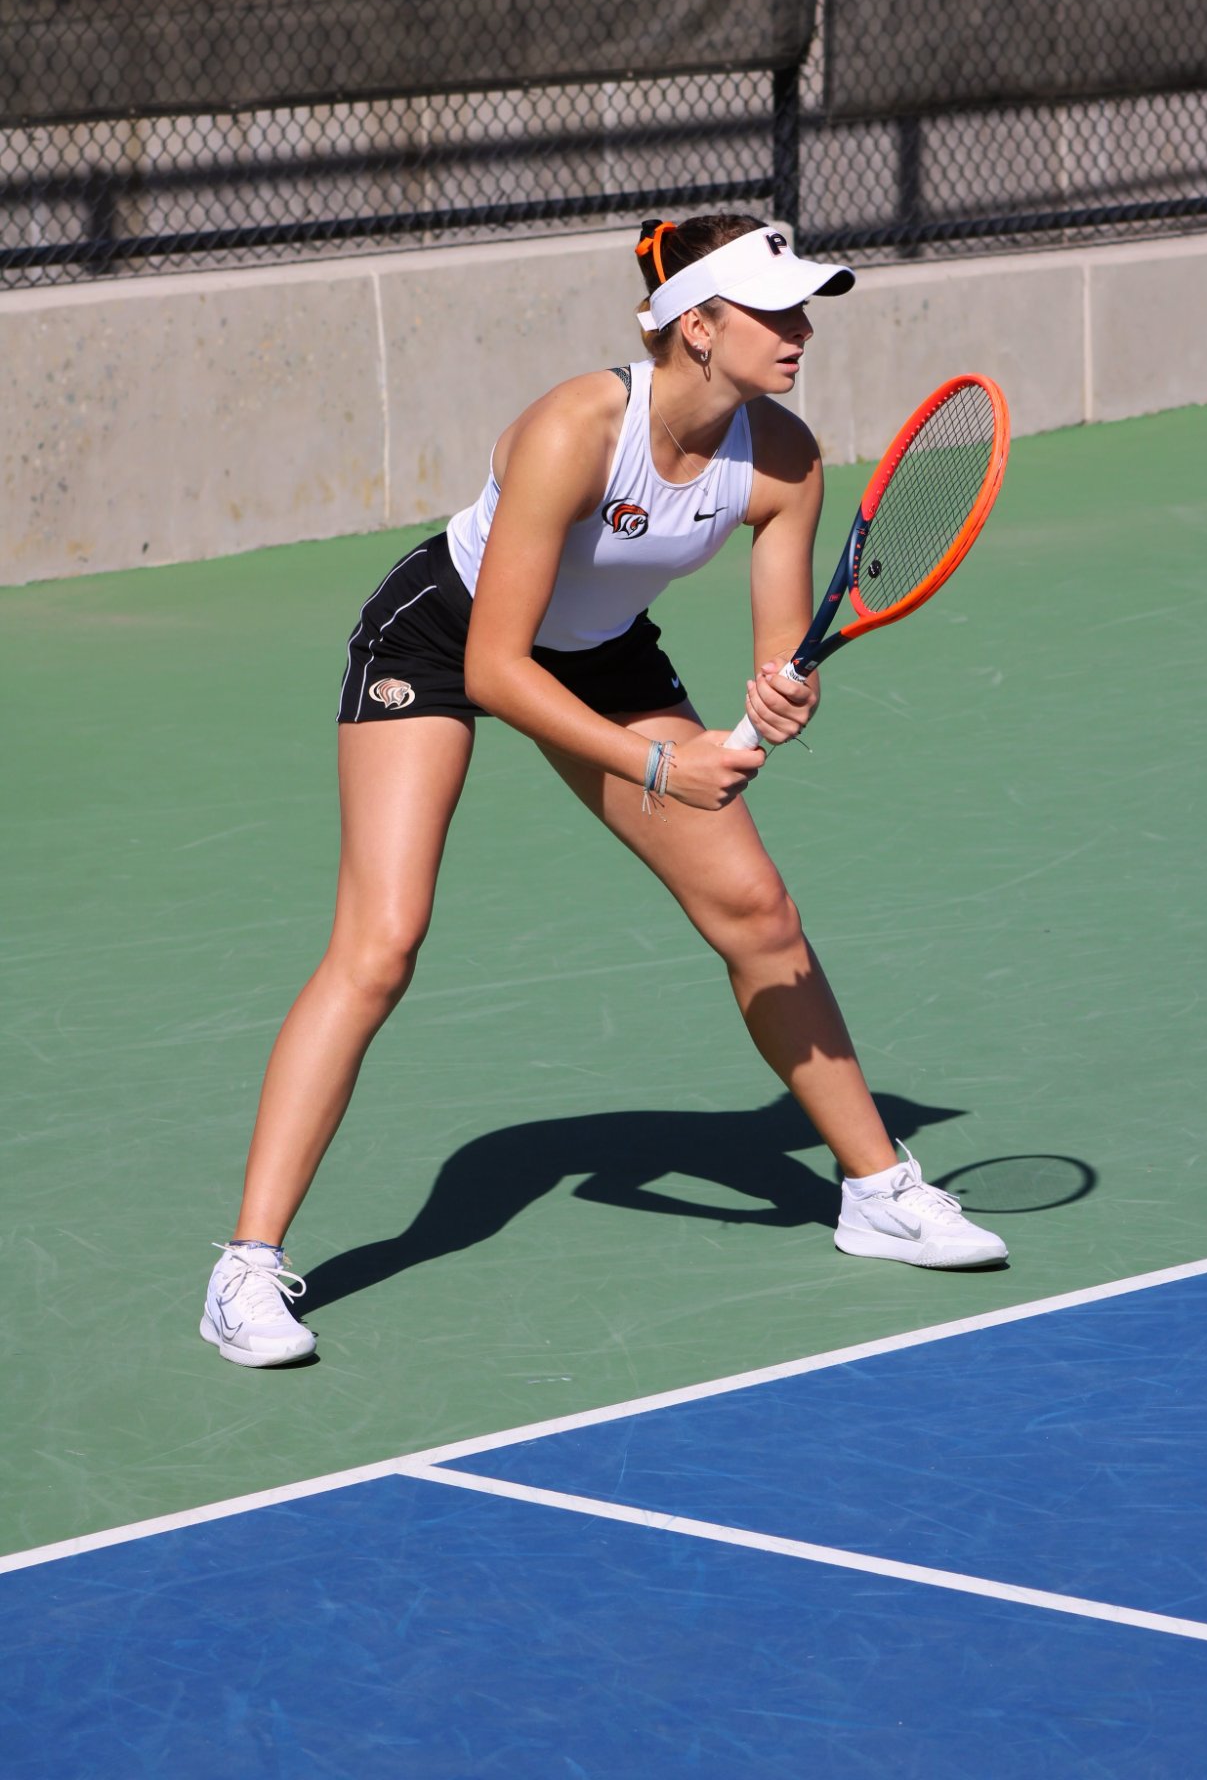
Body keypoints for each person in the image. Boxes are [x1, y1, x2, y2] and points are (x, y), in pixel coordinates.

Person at [200, 215, 1007, 1368]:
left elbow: (780, 651)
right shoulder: (574, 429)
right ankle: (243, 1268)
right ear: (697, 327)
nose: (800, 329)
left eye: (803, 307)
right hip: (444, 640)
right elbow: (495, 666)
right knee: (381, 943)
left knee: (758, 912)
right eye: (774, 310)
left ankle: (877, 1189)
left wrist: (781, 695)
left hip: (604, 653)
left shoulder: (783, 456)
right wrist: (663, 763)